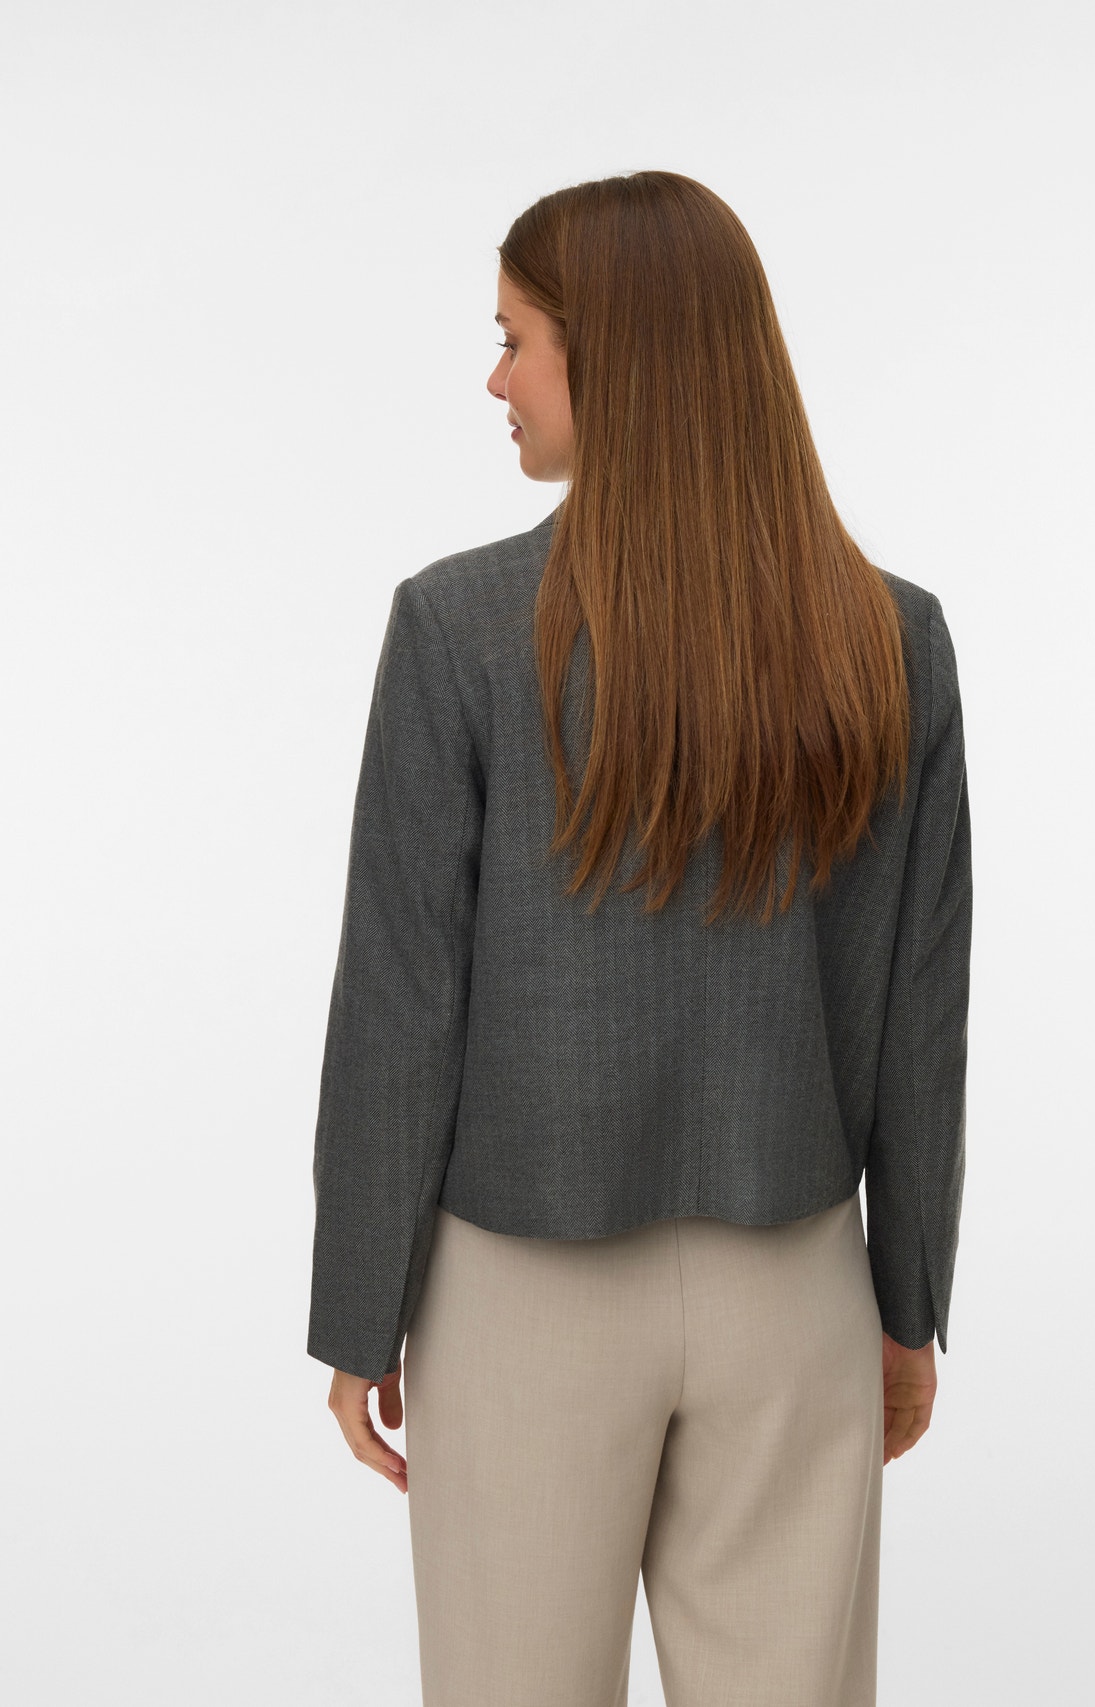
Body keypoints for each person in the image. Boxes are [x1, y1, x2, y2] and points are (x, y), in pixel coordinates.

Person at [307, 169, 972, 1706]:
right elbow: (915, 1007)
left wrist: (359, 1307)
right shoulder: (890, 637)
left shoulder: (457, 630)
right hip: (794, 1281)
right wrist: (905, 1303)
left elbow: (403, 1005)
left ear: (607, 354)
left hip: (522, 1285)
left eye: (515, 341)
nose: (496, 381)